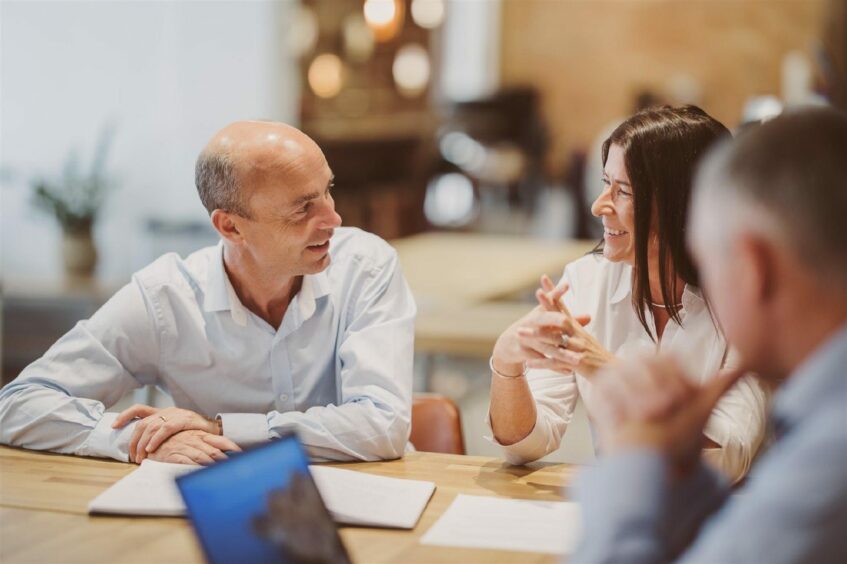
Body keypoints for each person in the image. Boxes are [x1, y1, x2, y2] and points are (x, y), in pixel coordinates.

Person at [0, 121, 416, 465]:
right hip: (225, 505)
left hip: (369, 499)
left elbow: (383, 426)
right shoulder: (167, 298)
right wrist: (135, 440)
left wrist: (217, 428)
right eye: (302, 208)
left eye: (327, 189)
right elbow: (17, 404)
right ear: (231, 227)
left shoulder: (366, 266)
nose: (333, 217)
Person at [574, 107, 847, 563]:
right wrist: (681, 474)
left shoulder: (830, 452)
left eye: (706, 258)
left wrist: (633, 463)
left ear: (753, 267)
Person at [488, 105, 768, 481]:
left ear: (680, 205)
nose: (598, 205)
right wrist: (507, 362)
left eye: (622, 191)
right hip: (624, 507)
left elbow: (726, 459)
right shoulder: (586, 281)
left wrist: (602, 367)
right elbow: (524, 444)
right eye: (605, 183)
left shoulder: (748, 300)